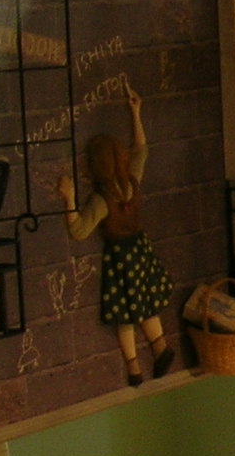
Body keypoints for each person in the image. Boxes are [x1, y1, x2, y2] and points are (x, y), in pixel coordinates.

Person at [56, 82, 177, 385]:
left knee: (126, 313)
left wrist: (69, 199)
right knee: (146, 303)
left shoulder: (102, 200)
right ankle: (160, 346)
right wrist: (136, 113)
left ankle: (134, 368)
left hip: (120, 257)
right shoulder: (131, 182)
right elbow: (141, 150)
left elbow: (79, 230)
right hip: (140, 249)